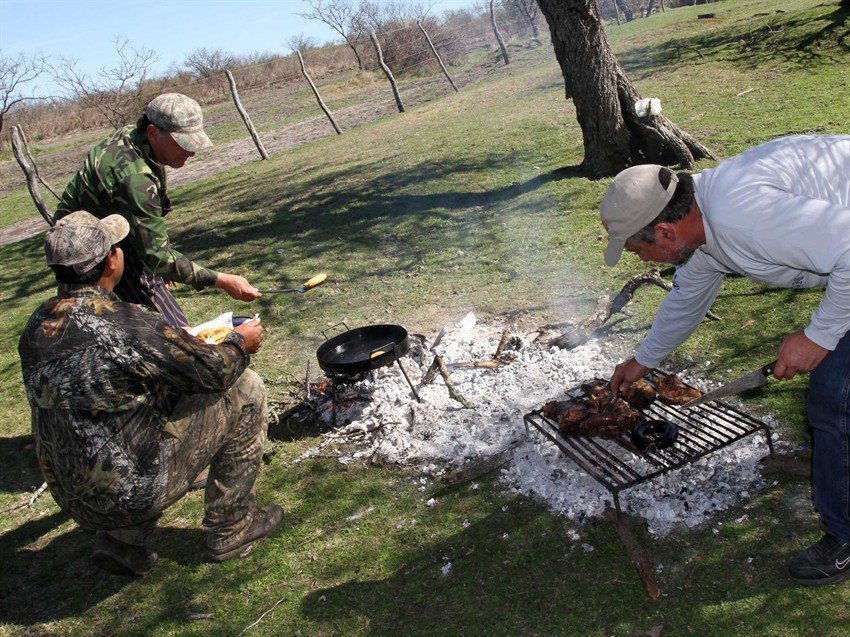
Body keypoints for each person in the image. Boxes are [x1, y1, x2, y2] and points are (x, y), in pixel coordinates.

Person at [600, 134, 850, 586]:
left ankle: (845, 537)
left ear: (664, 232)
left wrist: (819, 336)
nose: (643, 258)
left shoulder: (743, 217)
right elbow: (687, 298)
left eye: (639, 251)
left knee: (835, 397)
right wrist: (643, 360)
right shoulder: (702, 231)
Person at [19, 211, 282, 576]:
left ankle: (122, 541)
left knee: (123, 425)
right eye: (116, 246)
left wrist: (174, 346)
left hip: (72, 495)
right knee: (244, 387)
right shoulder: (123, 320)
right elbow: (213, 372)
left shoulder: (37, 324)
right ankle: (232, 527)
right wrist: (240, 343)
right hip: (132, 491)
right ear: (111, 259)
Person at [54, 92, 260, 328]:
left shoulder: (133, 138)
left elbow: (153, 247)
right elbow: (157, 257)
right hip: (96, 265)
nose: (191, 152)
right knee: (171, 341)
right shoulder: (134, 177)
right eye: (183, 144)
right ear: (153, 132)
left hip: (111, 251)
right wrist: (224, 281)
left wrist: (161, 263)